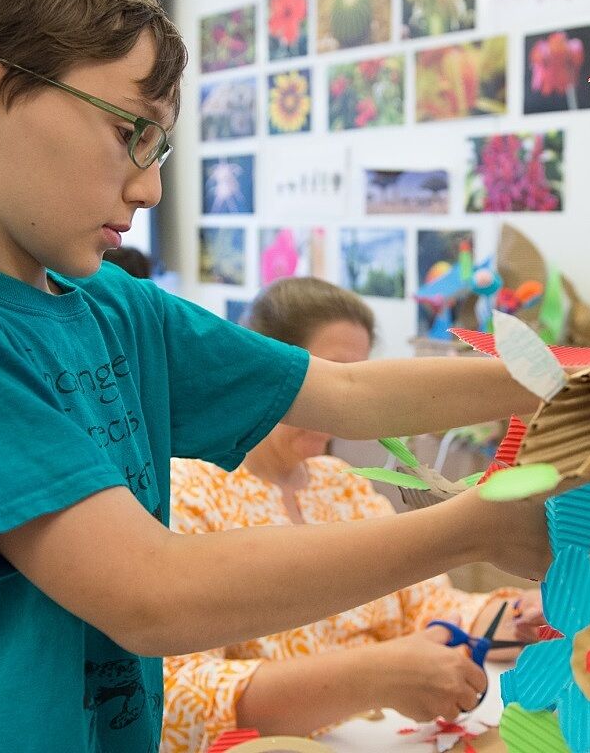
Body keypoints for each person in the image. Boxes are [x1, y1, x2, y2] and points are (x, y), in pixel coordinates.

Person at [0, 0, 590, 753]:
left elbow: (349, 391)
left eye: (161, 147)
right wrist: (473, 525)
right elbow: (150, 592)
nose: (147, 186)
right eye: (128, 132)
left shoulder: (112, 307)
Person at [165, 278, 547, 749]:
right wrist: (371, 676)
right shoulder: (189, 494)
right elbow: (177, 699)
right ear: (270, 365)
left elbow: (425, 604)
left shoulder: (341, 485)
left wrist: (512, 615)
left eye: (367, 380)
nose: (356, 408)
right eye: (342, 379)